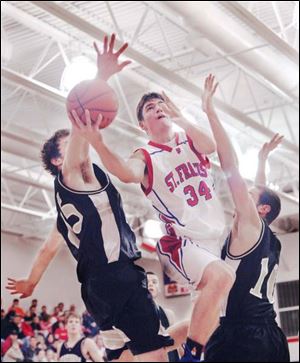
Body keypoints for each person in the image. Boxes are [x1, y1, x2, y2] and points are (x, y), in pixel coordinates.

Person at [6, 34, 174, 362]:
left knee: (125, 355)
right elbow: (79, 154)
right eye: (70, 140)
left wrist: (31, 281)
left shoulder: (69, 206)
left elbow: (47, 250)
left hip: (98, 290)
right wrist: (101, 79)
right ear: (57, 160)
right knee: (155, 354)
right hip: (116, 277)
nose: (79, 139)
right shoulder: (70, 178)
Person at [73, 34, 235, 362]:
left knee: (218, 319)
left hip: (219, 238)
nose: (157, 108)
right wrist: (100, 145)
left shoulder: (190, 140)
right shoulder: (145, 153)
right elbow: (125, 172)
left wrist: (183, 116)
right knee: (221, 278)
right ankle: (190, 357)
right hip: (184, 241)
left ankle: (145, 350)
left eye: (161, 104)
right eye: (150, 108)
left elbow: (210, 146)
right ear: (143, 125)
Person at [200, 74, 290, 362]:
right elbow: (261, 196)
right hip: (271, 336)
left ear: (262, 209)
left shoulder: (250, 225)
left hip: (241, 337)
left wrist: (210, 112)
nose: (243, 196)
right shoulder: (268, 238)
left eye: (250, 195)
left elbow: (229, 165)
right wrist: (262, 161)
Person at [146, 272, 180, 362]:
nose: (150, 284)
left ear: (159, 288)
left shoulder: (169, 314)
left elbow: (177, 343)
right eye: (146, 281)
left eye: (154, 282)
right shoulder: (134, 315)